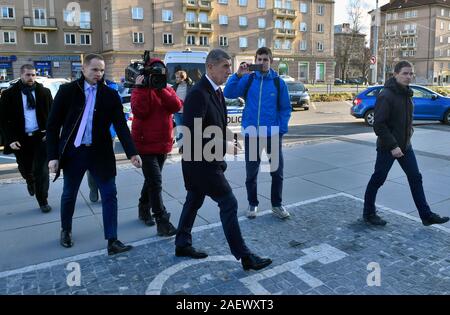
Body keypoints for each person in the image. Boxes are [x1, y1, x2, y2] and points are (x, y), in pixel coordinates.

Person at [175, 48, 272, 271]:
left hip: (204, 161)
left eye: (230, 66)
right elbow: (193, 132)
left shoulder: (216, 91)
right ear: (210, 67)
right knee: (229, 203)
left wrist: (228, 140)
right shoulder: (199, 93)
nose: (229, 71)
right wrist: (224, 145)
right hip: (200, 163)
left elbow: (216, 125)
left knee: (193, 200)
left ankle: (182, 243)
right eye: (225, 67)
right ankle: (245, 256)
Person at [46, 54, 142, 255]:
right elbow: (53, 126)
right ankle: (66, 230)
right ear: (83, 69)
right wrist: (52, 156)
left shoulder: (110, 95)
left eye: (101, 70)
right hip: (74, 152)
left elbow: (121, 126)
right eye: (94, 69)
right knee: (69, 193)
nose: (98, 74)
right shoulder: (67, 91)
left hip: (101, 153)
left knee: (109, 194)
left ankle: (112, 240)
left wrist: (132, 153)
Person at [363, 60, 449, 226]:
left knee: (415, 178)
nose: (408, 77)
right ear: (395, 74)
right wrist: (393, 146)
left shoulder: (406, 93)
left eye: (411, 73)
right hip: (388, 148)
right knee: (378, 179)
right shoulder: (386, 95)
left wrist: (408, 135)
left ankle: (426, 216)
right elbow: (379, 125)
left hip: (405, 146)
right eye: (405, 73)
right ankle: (369, 213)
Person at [224, 47, 292, 220]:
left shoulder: (278, 83)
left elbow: (285, 108)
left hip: (272, 134)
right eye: (259, 60)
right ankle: (252, 204)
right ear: (255, 61)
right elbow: (228, 93)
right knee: (251, 173)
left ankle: (277, 205)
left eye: (265, 60)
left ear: (271, 61)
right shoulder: (248, 79)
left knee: (276, 172)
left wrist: (281, 129)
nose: (262, 63)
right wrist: (238, 74)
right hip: (252, 133)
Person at [131, 58, 181, 234]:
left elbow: (176, 106)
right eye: (154, 73)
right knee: (156, 181)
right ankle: (161, 219)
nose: (157, 77)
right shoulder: (140, 90)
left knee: (152, 180)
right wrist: (142, 89)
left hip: (162, 143)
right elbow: (140, 111)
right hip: (144, 143)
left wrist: (161, 90)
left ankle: (143, 208)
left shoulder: (165, 88)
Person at [0, 64, 52, 213]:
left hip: (40, 137)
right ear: (21, 75)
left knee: (42, 171)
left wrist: (50, 132)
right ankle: (30, 181)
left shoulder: (44, 92)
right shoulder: (9, 94)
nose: (31, 78)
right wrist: (10, 139)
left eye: (33, 75)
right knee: (25, 168)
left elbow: (53, 115)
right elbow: (3, 120)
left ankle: (43, 200)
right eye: (28, 75)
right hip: (20, 140)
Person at [86, 79, 120, 203]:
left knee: (108, 163)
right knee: (91, 164)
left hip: (108, 134)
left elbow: (119, 111)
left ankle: (108, 190)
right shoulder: (84, 89)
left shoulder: (112, 88)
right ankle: (93, 188)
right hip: (90, 135)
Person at [172, 70, 194, 153]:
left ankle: (186, 145)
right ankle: (181, 146)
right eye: (176, 77)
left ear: (183, 78)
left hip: (187, 112)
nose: (176, 79)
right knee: (180, 130)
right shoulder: (174, 87)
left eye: (178, 77)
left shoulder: (190, 86)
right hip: (177, 112)